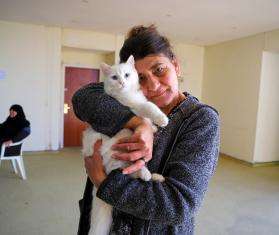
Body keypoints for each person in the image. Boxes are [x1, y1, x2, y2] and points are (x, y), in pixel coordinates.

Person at [72, 25, 220, 235]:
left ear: (176, 66)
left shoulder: (200, 119)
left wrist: (103, 182)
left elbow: (179, 205)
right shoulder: (125, 98)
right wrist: (138, 123)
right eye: (140, 77)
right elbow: (82, 97)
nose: (152, 85)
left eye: (159, 70)